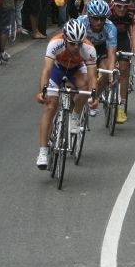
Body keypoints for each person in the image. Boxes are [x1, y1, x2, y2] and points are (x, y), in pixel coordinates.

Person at [34, 19, 98, 170]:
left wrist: (94, 97)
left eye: (79, 44)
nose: (76, 47)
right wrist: (42, 91)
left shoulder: (88, 48)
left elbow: (92, 77)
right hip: (57, 70)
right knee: (51, 105)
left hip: (76, 69)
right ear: (65, 39)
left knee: (85, 87)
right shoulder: (55, 43)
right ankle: (43, 151)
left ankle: (75, 116)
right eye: (72, 43)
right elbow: (46, 71)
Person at [76, 0, 117, 116]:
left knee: (106, 71)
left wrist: (111, 73)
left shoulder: (111, 28)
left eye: (102, 19)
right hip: (84, 49)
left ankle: (94, 97)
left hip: (101, 48)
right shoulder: (81, 22)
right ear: (89, 16)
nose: (99, 22)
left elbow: (112, 53)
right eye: (95, 18)